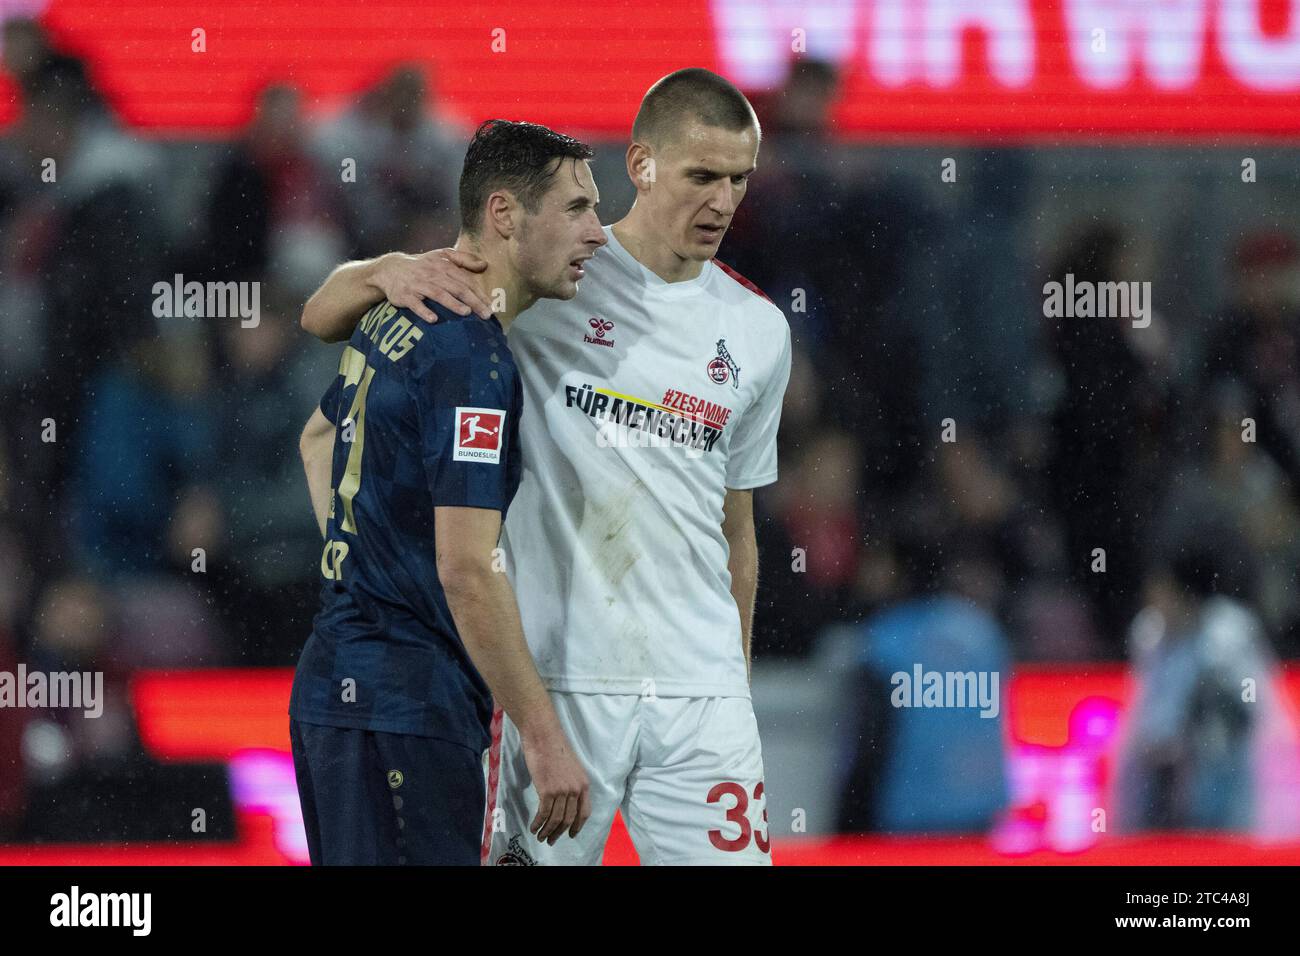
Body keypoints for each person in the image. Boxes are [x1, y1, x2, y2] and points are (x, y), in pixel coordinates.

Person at [302, 68, 793, 865]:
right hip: (558, 682)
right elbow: (326, 321)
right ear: (641, 165)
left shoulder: (760, 329)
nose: (724, 201)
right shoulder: (547, 273)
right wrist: (385, 268)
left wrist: (730, 682)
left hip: (701, 697)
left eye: (740, 179)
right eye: (703, 175)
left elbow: (736, 528)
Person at [289, 119, 604, 865]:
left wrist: (359, 568)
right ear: (502, 215)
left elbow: (316, 438)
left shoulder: (404, 308)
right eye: (576, 209)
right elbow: (467, 570)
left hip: (335, 688)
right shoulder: (472, 357)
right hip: (408, 706)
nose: (597, 233)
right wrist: (546, 736)